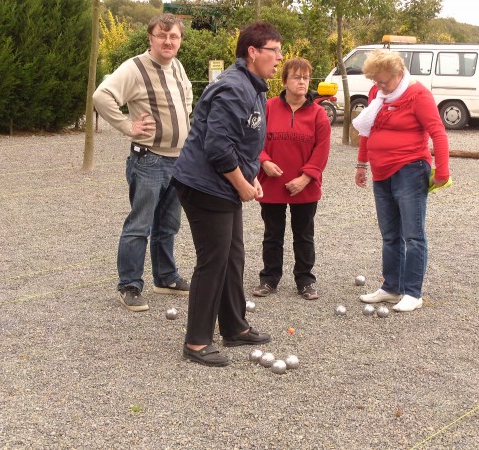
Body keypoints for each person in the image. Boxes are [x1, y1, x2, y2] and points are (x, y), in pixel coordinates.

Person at [171, 22, 283, 366]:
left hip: (224, 184)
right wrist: (242, 184)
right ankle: (196, 342)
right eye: (274, 51)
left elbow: (241, 142)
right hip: (205, 186)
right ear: (253, 52)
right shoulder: (234, 88)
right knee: (213, 260)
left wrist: (252, 176)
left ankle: (234, 326)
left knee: (233, 256)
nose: (279, 58)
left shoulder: (254, 87)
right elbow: (218, 148)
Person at [93, 14, 192, 312]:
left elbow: (187, 98)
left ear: (179, 40)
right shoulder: (134, 68)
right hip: (148, 159)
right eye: (162, 36)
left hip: (178, 161)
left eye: (173, 36)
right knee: (139, 225)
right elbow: (102, 95)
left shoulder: (177, 66)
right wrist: (127, 126)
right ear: (150, 38)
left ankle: (165, 277)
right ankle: (130, 285)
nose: (168, 41)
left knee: (169, 225)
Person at [353, 49, 450, 313]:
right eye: (376, 82)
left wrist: (442, 170)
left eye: (384, 81)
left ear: (399, 74)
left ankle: (413, 292)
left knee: (413, 234)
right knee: (389, 234)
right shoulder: (377, 94)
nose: (380, 86)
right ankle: (391, 287)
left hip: (410, 169)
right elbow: (366, 129)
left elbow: (438, 133)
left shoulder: (418, 95)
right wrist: (362, 164)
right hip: (380, 170)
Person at [251, 57, 331, 301]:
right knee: (272, 234)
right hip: (272, 184)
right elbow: (254, 139)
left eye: (306, 77)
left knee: (304, 235)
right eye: (296, 77)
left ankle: (305, 280)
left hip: (304, 188)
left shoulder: (319, 114)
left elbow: (322, 150)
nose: (302, 82)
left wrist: (306, 178)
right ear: (284, 80)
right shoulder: (267, 107)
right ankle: (269, 278)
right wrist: (264, 161)